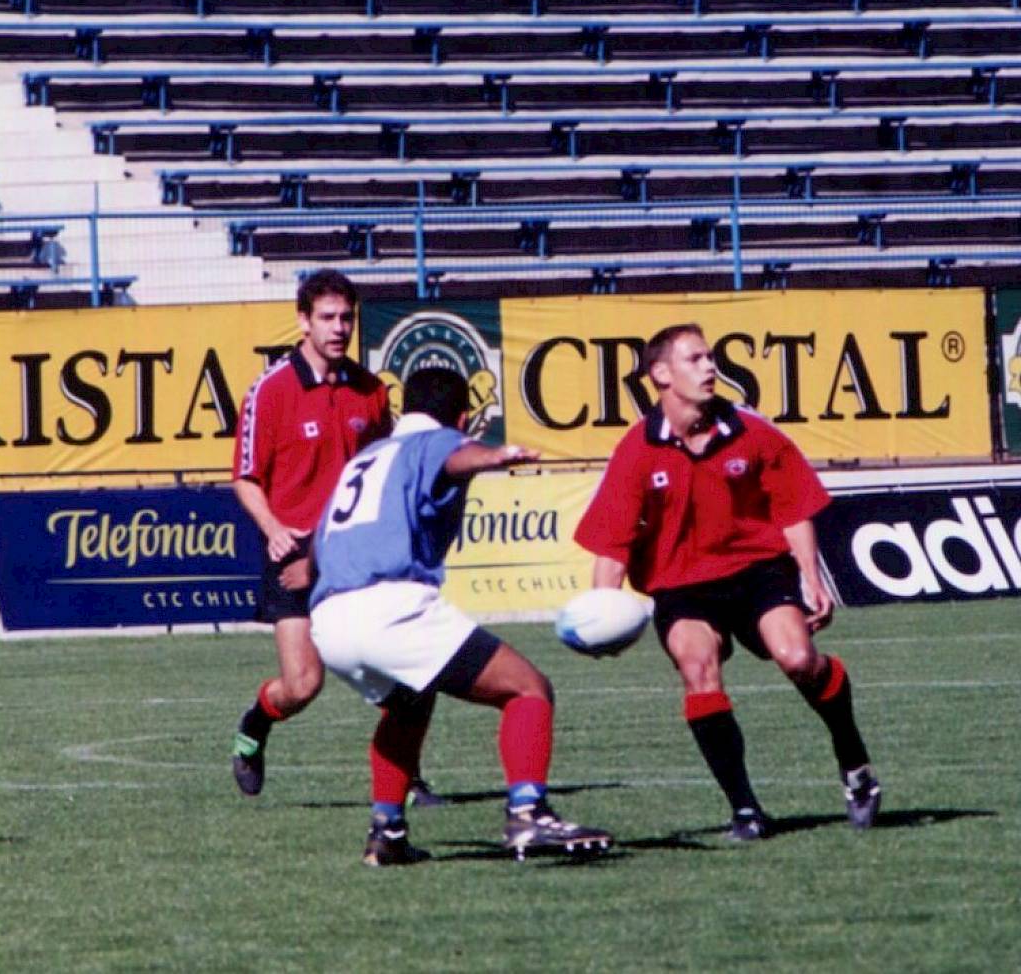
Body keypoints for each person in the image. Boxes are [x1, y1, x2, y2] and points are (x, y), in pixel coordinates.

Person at [574, 323, 881, 842]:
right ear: (661, 374)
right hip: (681, 585)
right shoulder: (636, 449)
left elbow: (792, 508)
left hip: (757, 570)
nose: (710, 367)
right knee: (698, 669)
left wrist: (812, 577)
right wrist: (603, 612)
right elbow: (613, 543)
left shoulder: (750, 430)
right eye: (695, 359)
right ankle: (745, 810)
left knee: (798, 660)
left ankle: (855, 764)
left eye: (710, 357)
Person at [310, 366, 612, 866]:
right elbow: (453, 458)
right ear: (464, 417)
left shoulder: (365, 457)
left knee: (409, 703)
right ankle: (529, 813)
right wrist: (493, 456)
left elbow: (320, 548)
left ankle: (387, 832)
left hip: (328, 618)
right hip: (389, 607)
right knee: (528, 689)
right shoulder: (435, 441)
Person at [230, 269, 448, 805]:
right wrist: (274, 530)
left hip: (356, 552)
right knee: (303, 685)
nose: (338, 328)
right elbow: (245, 478)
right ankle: (256, 723)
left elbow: (388, 467)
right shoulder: (270, 391)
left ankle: (407, 779)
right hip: (294, 550)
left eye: (346, 317)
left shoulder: (371, 392)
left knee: (401, 670)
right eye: (327, 317)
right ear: (303, 322)